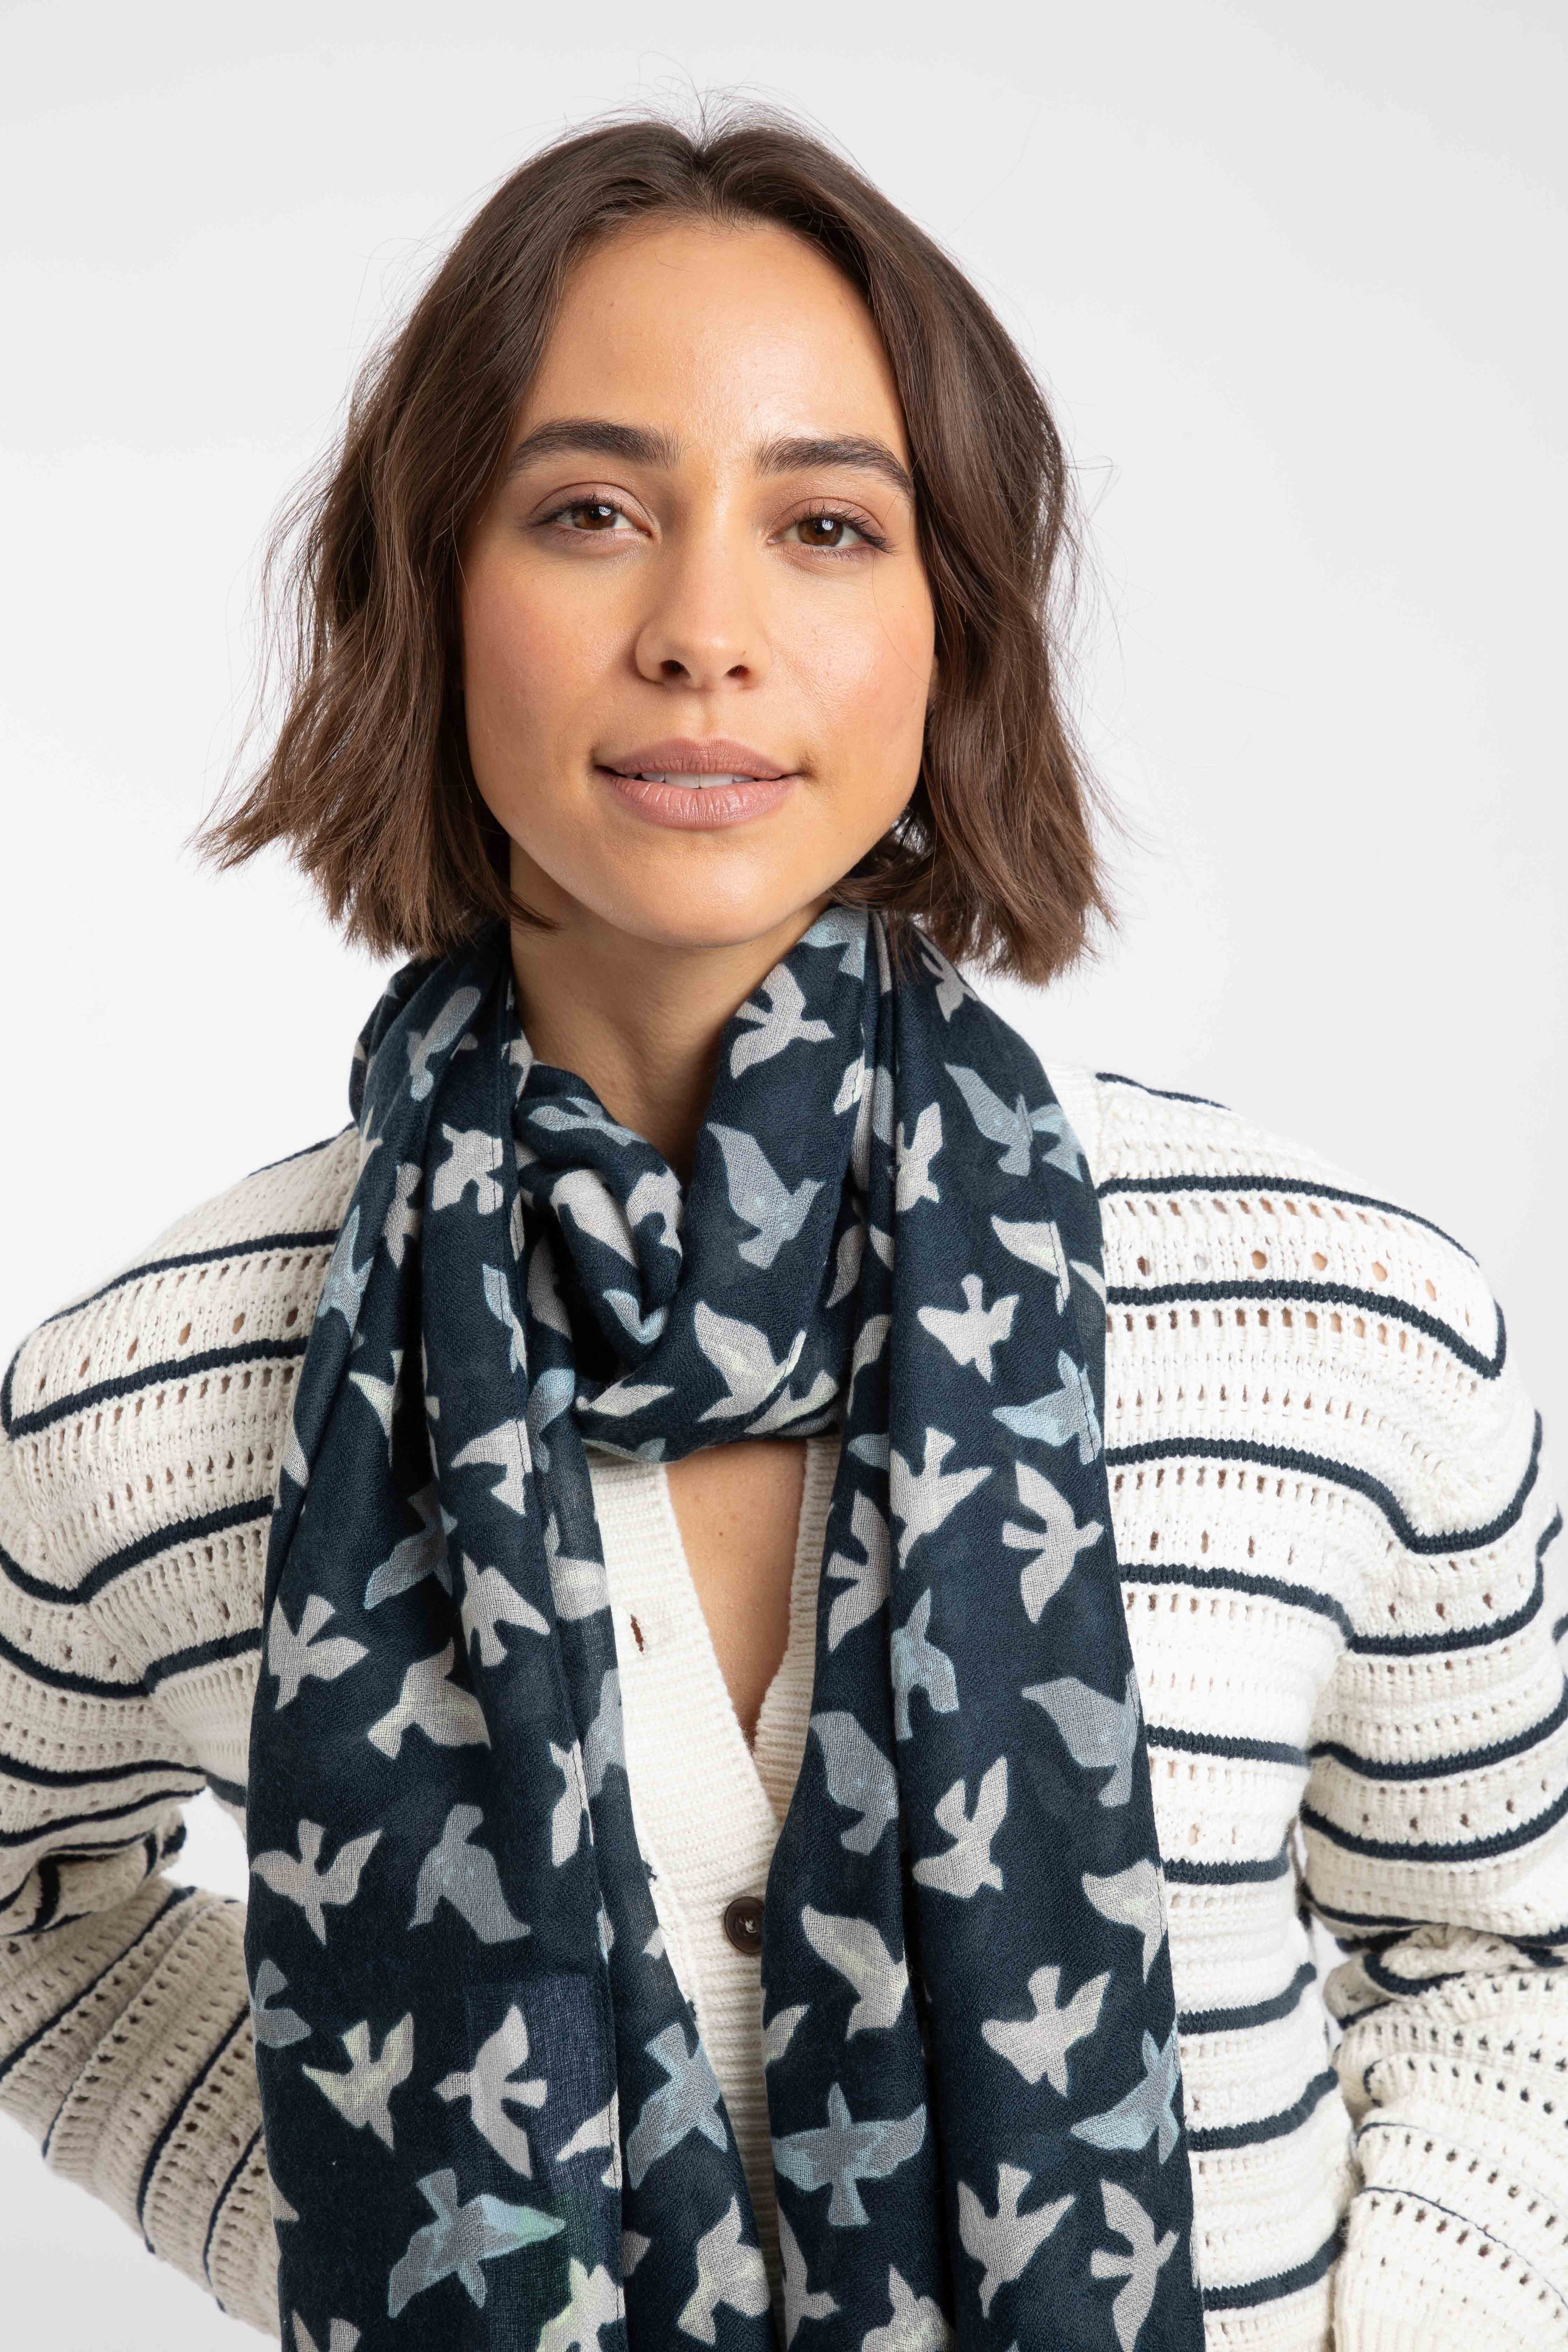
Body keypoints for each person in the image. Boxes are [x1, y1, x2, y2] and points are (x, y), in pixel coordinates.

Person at [1, 105, 1562, 2352]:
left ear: (952, 629)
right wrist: (355, 2208)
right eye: (588, 513)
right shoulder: (152, 1399)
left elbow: (1506, 1951)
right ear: (428, 594)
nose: (704, 634)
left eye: (826, 524)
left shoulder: (1337, 1319)